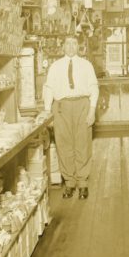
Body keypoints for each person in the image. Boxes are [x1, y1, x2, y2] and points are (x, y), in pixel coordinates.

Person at [42, 36, 98, 199]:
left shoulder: (86, 65)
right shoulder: (55, 66)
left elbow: (94, 88)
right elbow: (49, 89)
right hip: (61, 107)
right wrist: (47, 112)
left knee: (82, 143)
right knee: (64, 144)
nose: (71, 46)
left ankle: (82, 183)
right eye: (68, 43)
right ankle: (69, 182)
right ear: (63, 46)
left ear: (78, 46)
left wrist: (92, 110)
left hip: (82, 105)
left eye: (74, 43)